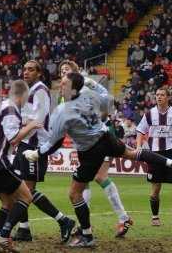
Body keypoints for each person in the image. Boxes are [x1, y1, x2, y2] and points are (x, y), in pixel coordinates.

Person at [23, 72, 172, 247]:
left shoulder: (62, 111)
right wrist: (93, 83)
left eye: (64, 84)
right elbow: (107, 98)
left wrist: (37, 154)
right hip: (106, 138)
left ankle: (87, 235)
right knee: (132, 154)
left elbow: (54, 142)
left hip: (90, 151)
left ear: (72, 87)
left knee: (74, 194)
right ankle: (169, 162)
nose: (60, 86)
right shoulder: (88, 95)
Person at [59, 60, 133, 237]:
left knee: (99, 177)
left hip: (99, 137)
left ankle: (122, 218)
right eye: (61, 71)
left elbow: (106, 105)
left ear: (75, 73)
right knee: (84, 182)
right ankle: (86, 224)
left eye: (66, 70)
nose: (63, 73)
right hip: (85, 141)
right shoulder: (66, 92)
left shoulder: (85, 86)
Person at [12, 60, 75, 243]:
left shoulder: (40, 90)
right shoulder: (28, 90)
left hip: (35, 145)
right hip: (24, 143)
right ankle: (24, 229)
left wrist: (19, 126)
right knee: (18, 189)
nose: (26, 72)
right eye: (24, 69)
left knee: (27, 191)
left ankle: (64, 221)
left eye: (30, 69)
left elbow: (38, 119)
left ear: (39, 73)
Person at [0, 80, 41, 252]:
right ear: (23, 95)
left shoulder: (1, 106)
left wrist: (24, 124)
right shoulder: (11, 109)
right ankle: (3, 235)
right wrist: (30, 125)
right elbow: (13, 138)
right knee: (26, 197)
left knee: (7, 204)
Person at [136, 85, 172, 226]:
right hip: (155, 154)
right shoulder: (150, 113)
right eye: (157, 94)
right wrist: (139, 146)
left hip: (170, 151)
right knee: (155, 189)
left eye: (162, 95)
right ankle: (155, 217)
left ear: (168, 97)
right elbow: (140, 130)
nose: (159, 97)